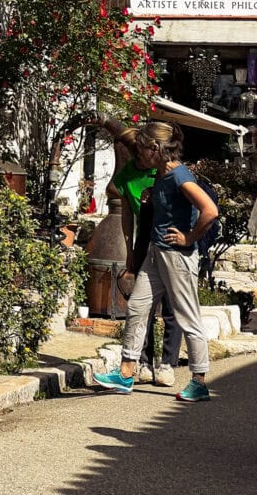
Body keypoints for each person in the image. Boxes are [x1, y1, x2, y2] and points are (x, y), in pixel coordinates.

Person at [93, 120, 218, 402]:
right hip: (155, 252)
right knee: (137, 306)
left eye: (141, 148)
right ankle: (126, 374)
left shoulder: (178, 175)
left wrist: (189, 237)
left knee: (188, 317)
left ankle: (199, 381)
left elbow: (210, 210)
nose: (139, 154)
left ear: (154, 148)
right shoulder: (161, 175)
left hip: (177, 256)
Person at [98, 117, 183, 386]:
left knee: (171, 304)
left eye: (148, 150)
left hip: (170, 237)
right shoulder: (127, 176)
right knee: (142, 304)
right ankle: (143, 362)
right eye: (141, 151)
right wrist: (129, 251)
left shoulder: (164, 171)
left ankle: (167, 364)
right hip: (145, 238)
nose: (146, 156)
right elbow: (127, 216)